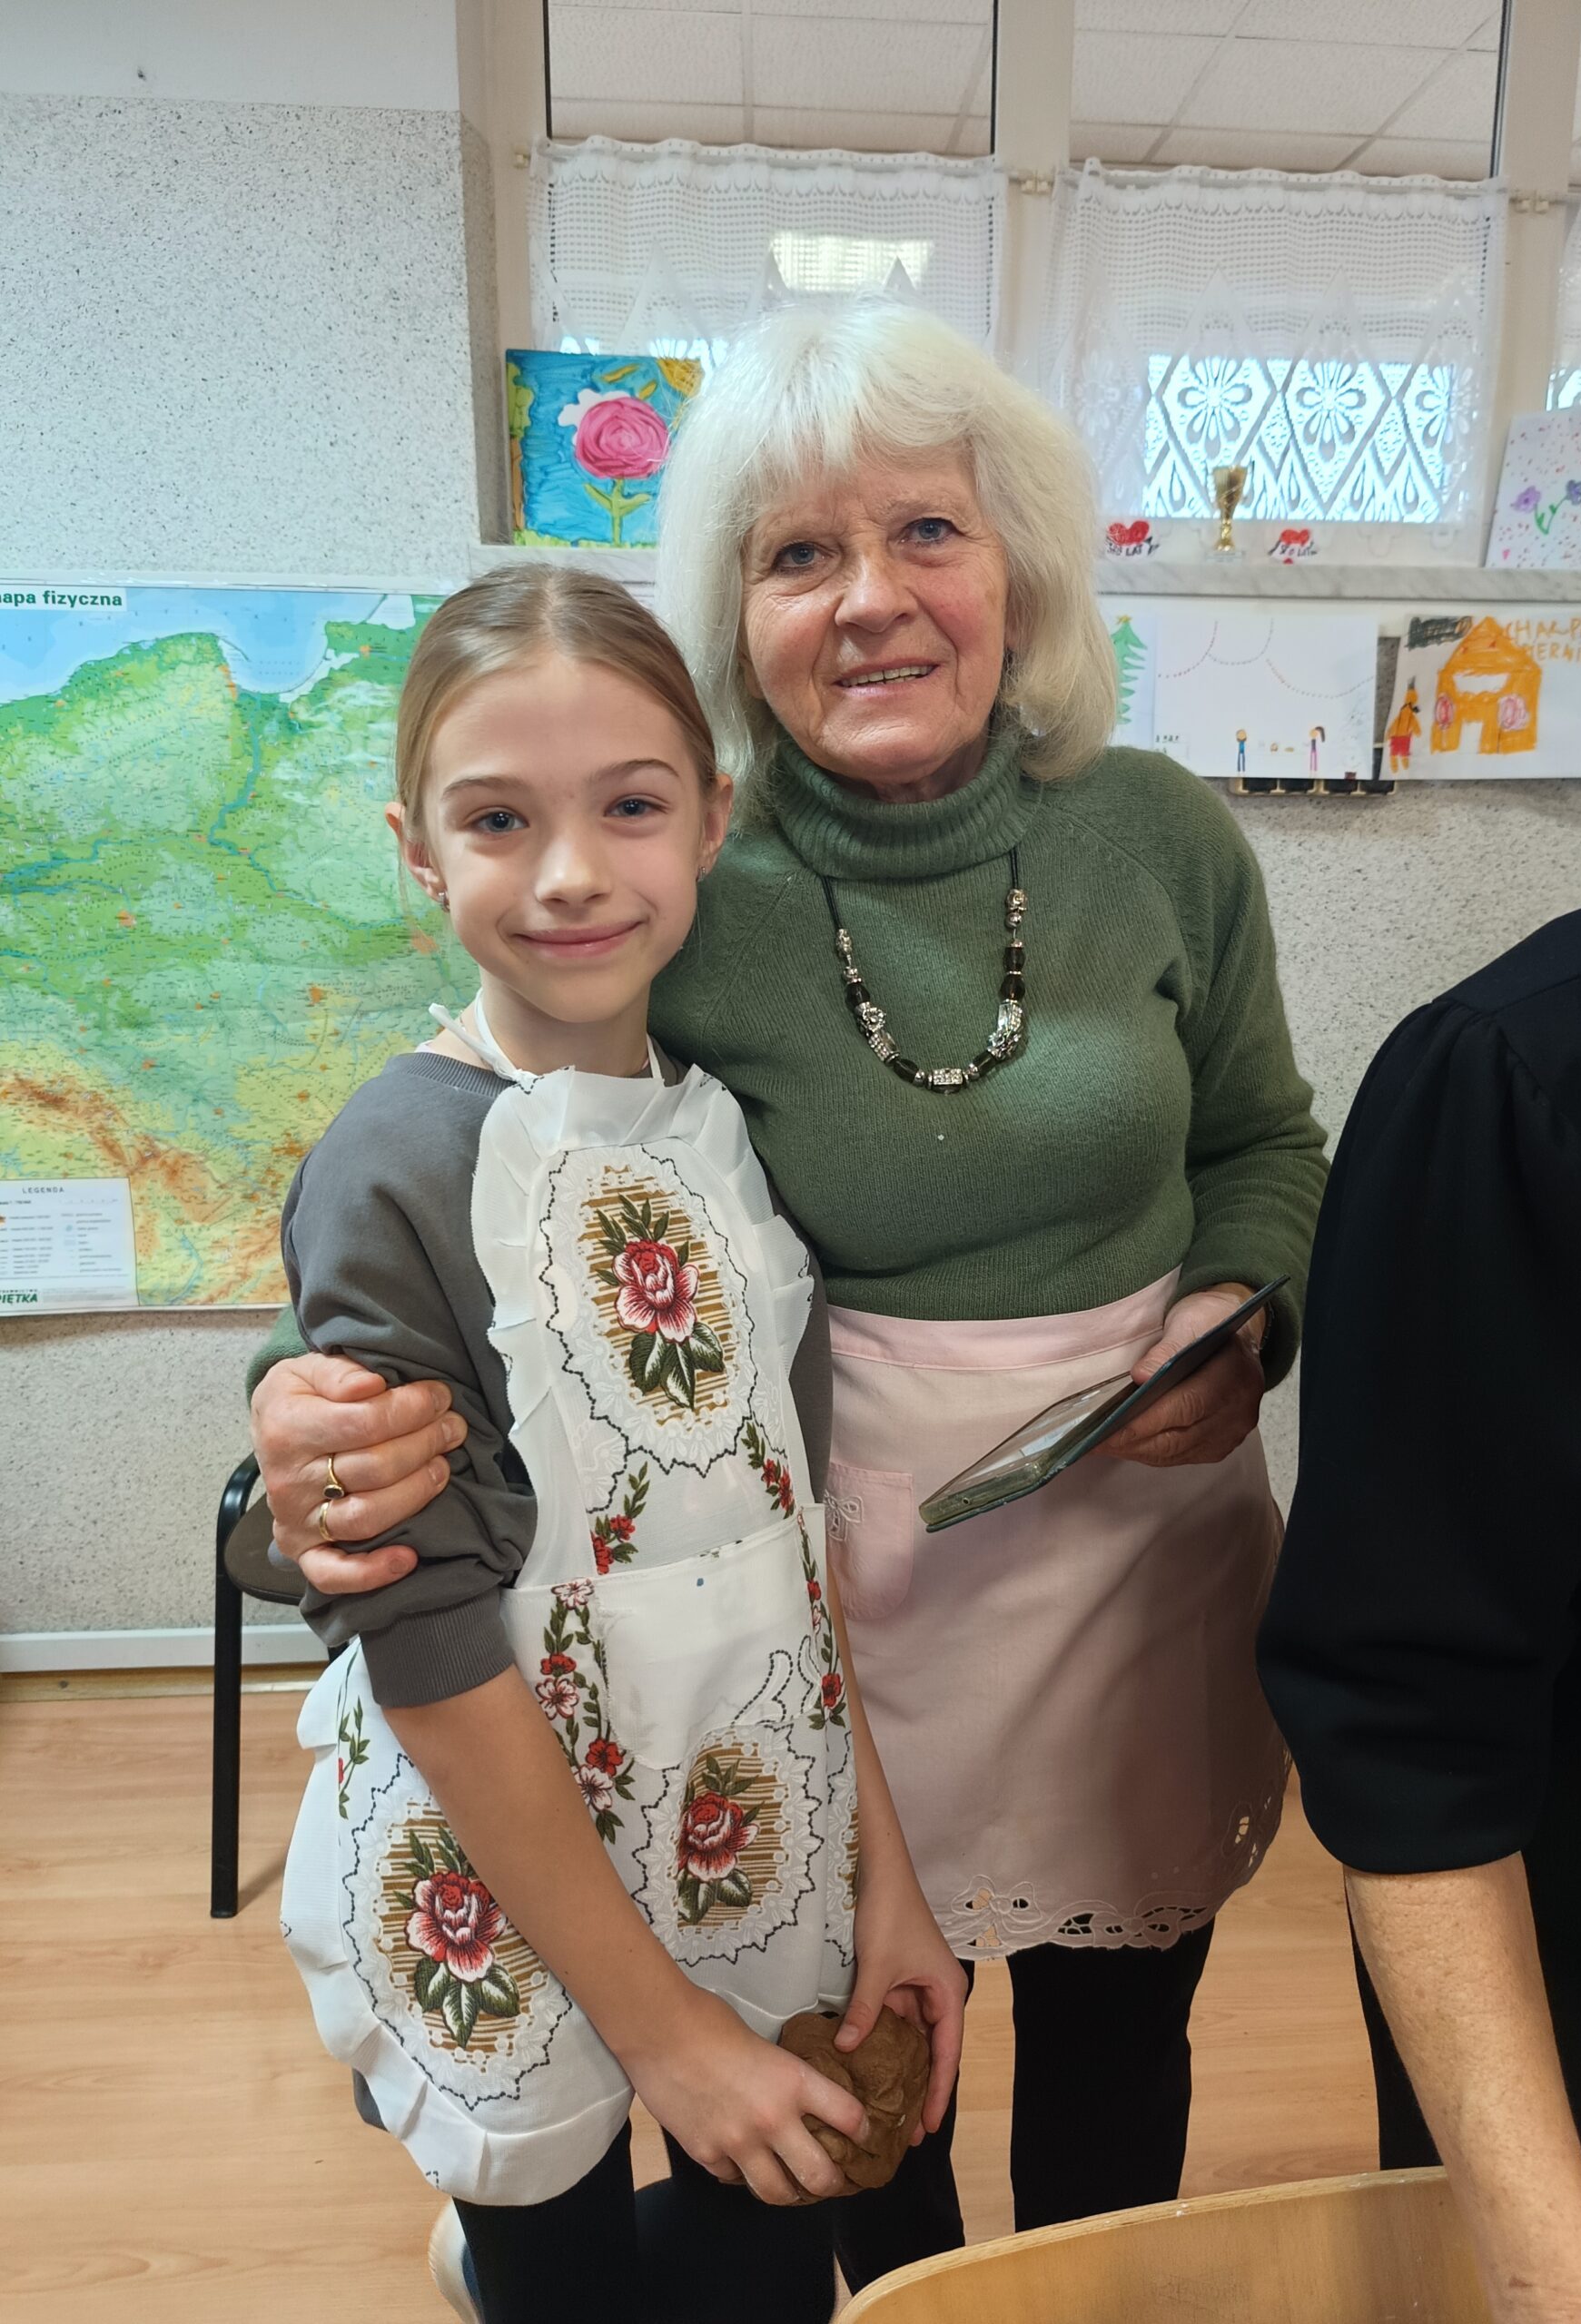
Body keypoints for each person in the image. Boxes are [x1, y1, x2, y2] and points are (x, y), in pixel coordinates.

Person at [249, 303, 1327, 2291]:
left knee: (1120, 2036)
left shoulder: (1161, 836)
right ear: (732, 613)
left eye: (927, 532)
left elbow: (1270, 1135)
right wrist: (290, 1408)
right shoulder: (668, 872)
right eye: (798, 551)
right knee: (867, 2053)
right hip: (833, 1596)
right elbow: (478, 1175)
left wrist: (1249, 1312)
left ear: (1019, 568)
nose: (870, 598)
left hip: (1135, 1551)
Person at [273, 565, 963, 2324]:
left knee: (762, 2261)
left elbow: (794, 1553)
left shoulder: (725, 1129)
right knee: (561, 2268)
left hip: (748, 1819)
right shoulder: (394, 1166)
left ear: (712, 818)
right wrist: (663, 2034)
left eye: (631, 807)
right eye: (499, 819)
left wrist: (883, 1878)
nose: (571, 872)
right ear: (419, 852)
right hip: (509, 1863)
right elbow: (423, 1634)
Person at [1257, 845, 1581, 2324]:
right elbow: (1406, 1731)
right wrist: (1551, 2283)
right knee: (1498, 2266)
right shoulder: (1521, 1077)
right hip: (1540, 1816)